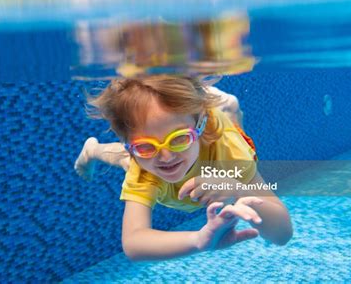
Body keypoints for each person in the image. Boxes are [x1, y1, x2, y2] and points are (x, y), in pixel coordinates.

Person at [75, 75, 292, 261]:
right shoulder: (143, 167)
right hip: (174, 137)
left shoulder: (228, 154)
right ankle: (92, 150)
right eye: (145, 145)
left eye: (179, 139)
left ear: (199, 128)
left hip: (216, 137)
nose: (166, 157)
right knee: (125, 159)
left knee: (231, 122)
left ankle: (225, 106)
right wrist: (198, 240)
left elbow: (282, 234)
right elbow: (133, 241)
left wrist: (236, 188)